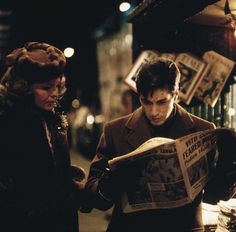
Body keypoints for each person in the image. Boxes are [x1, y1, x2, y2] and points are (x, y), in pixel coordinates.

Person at [85, 58, 216, 232]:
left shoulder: (203, 131)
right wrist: (111, 181)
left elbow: (216, 195)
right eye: (146, 101)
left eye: (162, 102)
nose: (154, 112)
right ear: (139, 96)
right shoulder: (115, 131)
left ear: (176, 95)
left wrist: (227, 169)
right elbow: (94, 195)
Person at [0, 42, 85, 232]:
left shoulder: (53, 118)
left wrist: (70, 181)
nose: (54, 93)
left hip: (62, 220)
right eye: (46, 88)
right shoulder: (7, 123)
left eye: (57, 85)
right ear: (25, 87)